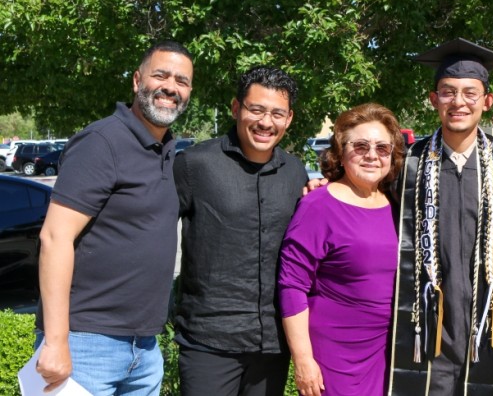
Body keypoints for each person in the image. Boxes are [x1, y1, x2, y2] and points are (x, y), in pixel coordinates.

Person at [35, 40, 193, 394]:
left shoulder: (167, 150)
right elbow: (55, 237)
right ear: (137, 81)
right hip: (85, 344)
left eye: (181, 81)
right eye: (161, 75)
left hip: (144, 349)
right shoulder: (101, 141)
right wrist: (56, 341)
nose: (171, 87)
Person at [388, 38, 493, 396]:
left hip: (490, 325)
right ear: (433, 99)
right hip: (428, 328)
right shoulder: (406, 164)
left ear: (487, 101)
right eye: (447, 92)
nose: (459, 102)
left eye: (470, 93)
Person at [173, 67, 307, 396]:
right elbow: (150, 232)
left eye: (277, 113)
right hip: (209, 341)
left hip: (272, 344)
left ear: (289, 119)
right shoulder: (194, 164)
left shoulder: (295, 173)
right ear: (236, 108)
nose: (266, 122)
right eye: (256, 109)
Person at [278, 103, 405, 396]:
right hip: (336, 355)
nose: (372, 155)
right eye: (360, 146)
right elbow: (292, 285)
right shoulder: (318, 205)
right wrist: (303, 359)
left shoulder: (398, 204)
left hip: (389, 352)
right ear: (340, 151)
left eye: (382, 148)